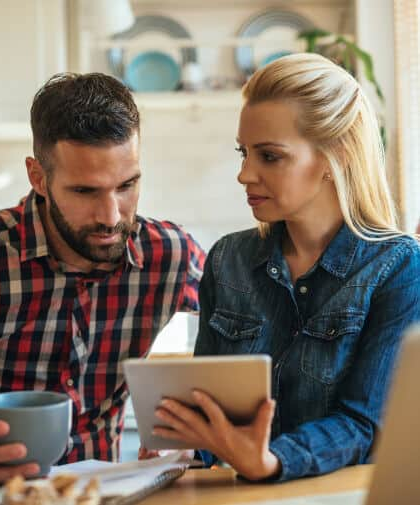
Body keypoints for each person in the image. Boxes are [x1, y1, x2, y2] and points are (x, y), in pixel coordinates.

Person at [0, 73, 205, 484]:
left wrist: (196, 437)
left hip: (95, 493)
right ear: (38, 177)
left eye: (127, 185)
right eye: (85, 192)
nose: (111, 216)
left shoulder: (170, 255)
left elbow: (251, 339)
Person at [150, 53, 420, 481]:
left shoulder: (399, 267)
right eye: (244, 153)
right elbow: (208, 411)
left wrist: (271, 461)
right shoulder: (227, 260)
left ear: (337, 156)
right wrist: (182, 448)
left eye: (270, 157)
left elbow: (366, 424)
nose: (244, 174)